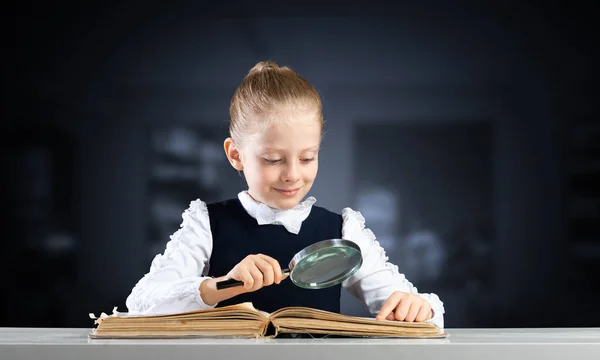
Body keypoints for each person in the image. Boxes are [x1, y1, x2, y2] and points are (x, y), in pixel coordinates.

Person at [126, 61, 445, 329]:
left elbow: (417, 308)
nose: (293, 174)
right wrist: (221, 284)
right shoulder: (206, 223)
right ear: (236, 155)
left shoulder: (343, 232)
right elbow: (142, 301)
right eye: (273, 159)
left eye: (307, 157)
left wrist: (418, 308)